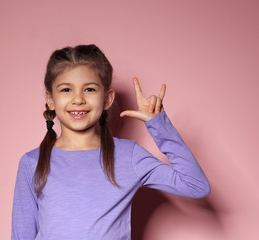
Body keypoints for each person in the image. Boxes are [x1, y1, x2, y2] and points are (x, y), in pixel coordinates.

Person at [11, 44, 210, 239]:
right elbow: (21, 235)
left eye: (89, 89)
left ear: (107, 99)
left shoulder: (129, 156)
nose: (78, 99)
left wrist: (159, 125)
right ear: (50, 100)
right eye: (66, 90)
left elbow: (195, 185)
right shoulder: (31, 162)